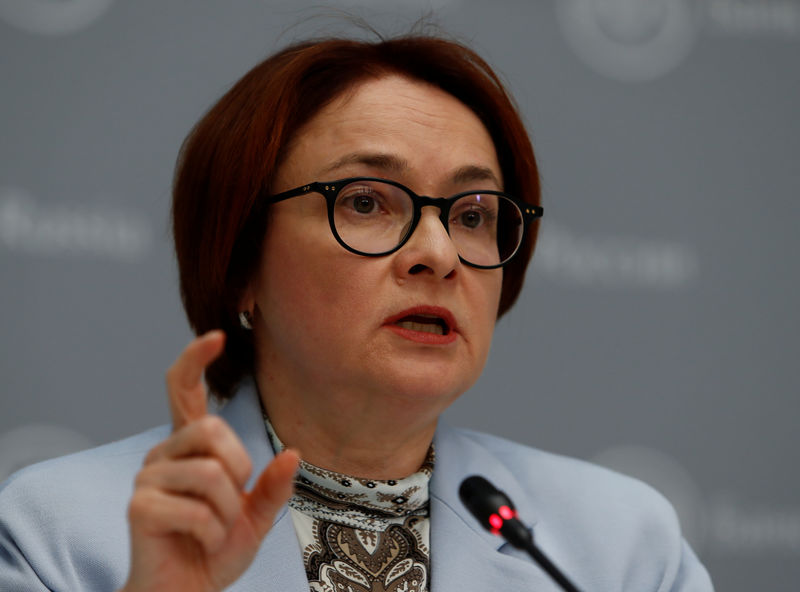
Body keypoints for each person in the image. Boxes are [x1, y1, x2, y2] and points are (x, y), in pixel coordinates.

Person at [0, 33, 713, 591]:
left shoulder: (617, 545)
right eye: (366, 202)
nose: (438, 253)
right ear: (241, 262)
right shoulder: (59, 532)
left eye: (472, 214)